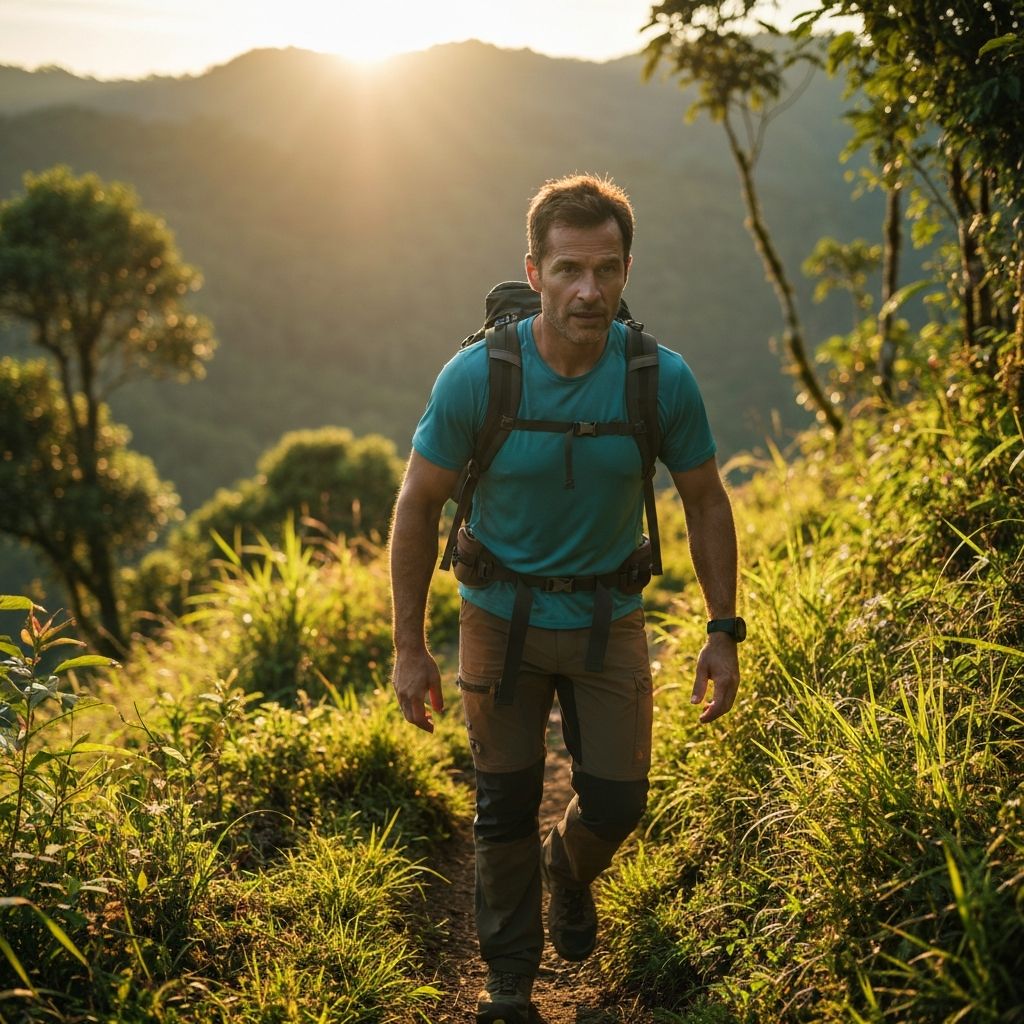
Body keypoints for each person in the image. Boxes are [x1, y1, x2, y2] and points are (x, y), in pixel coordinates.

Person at [389, 174, 741, 1024]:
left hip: (608, 619)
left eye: (606, 269)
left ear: (626, 272)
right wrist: (409, 646)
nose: (589, 290)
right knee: (503, 804)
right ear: (534, 271)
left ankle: (568, 867)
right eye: (569, 269)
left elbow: (705, 500)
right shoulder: (479, 378)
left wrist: (723, 629)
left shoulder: (659, 380)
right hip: (497, 618)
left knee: (619, 801)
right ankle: (509, 981)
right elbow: (417, 504)